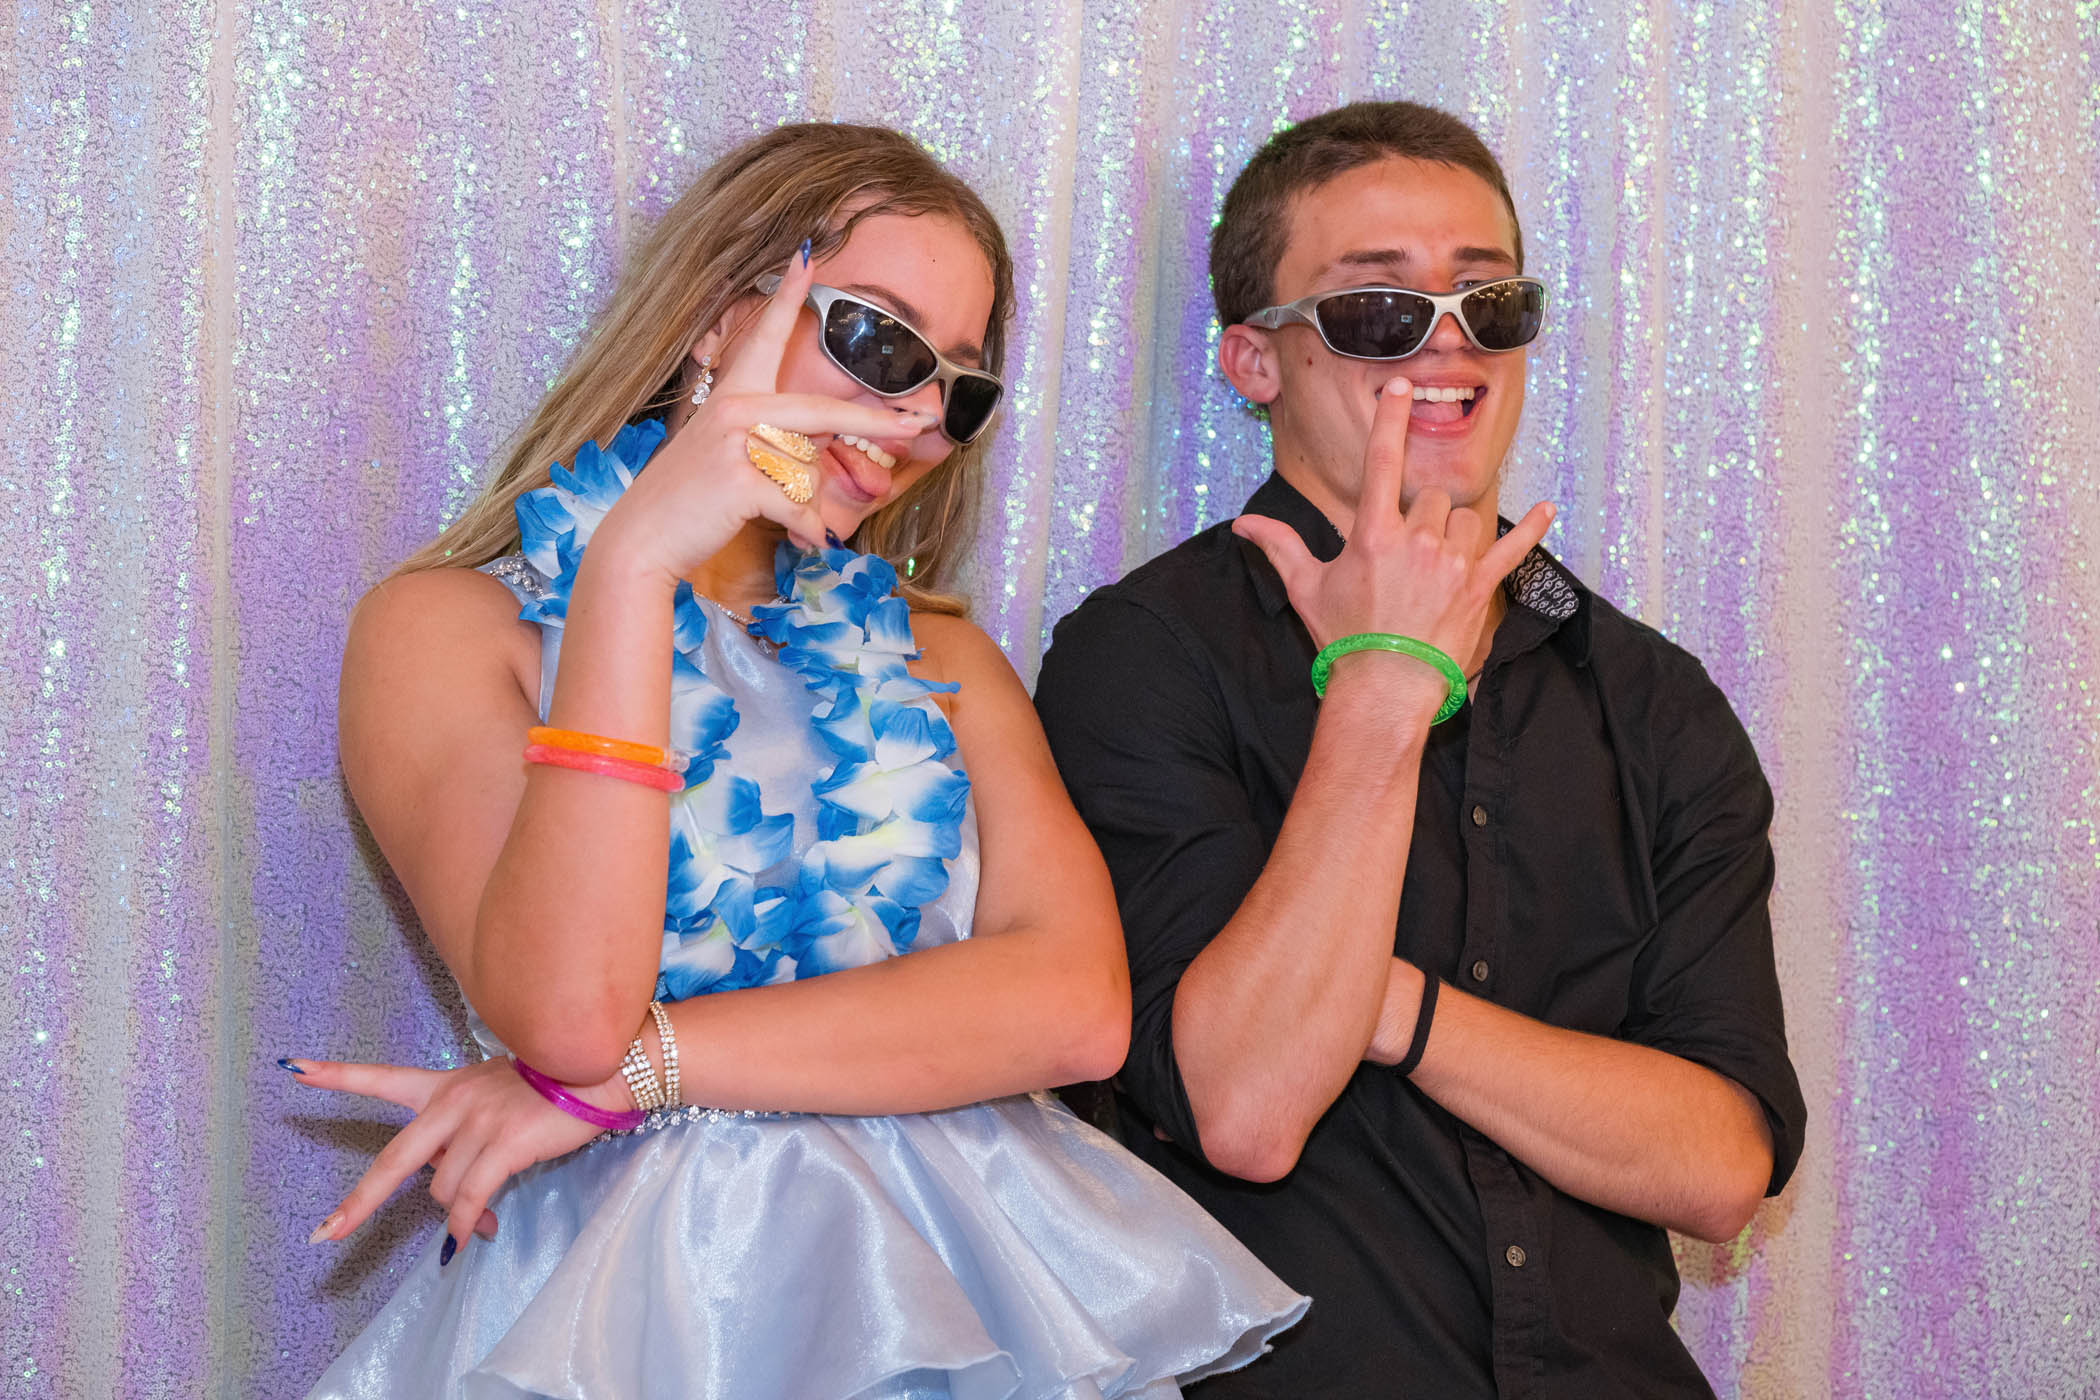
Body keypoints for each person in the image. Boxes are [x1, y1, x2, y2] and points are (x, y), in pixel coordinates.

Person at [288, 122, 1305, 1400]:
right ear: (720, 314)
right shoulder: (444, 627)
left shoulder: (946, 655)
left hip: (969, 1300)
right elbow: (563, 1015)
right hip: (633, 1323)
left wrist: (631, 1076)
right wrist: (634, 570)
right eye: (879, 340)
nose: (917, 414)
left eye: (959, 386)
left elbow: (1077, 1006)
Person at [1033, 100, 1807, 1397]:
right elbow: (1248, 1102)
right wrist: (1387, 686)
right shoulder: (1145, 654)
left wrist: (1387, 1004)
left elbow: (1721, 1163)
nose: (1448, 344)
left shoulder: (1652, 699)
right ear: (1254, 361)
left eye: (1486, 300)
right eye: (1378, 309)